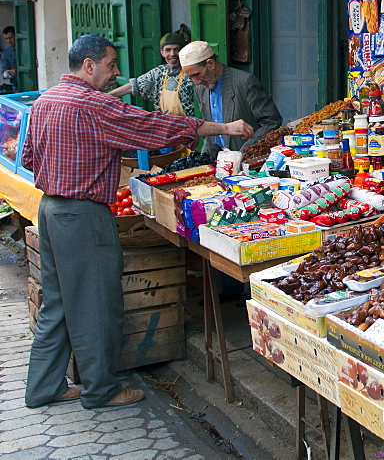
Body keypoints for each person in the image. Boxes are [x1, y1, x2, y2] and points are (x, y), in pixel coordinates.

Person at [22, 34, 253, 409]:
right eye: (111, 64)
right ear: (89, 65)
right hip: (82, 215)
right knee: (96, 303)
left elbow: (31, 157)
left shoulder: (47, 100)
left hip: (49, 210)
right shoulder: (95, 105)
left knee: (58, 302)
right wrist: (224, 129)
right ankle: (101, 390)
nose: (116, 73)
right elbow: (155, 126)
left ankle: (44, 385)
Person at [179, 40, 283, 158]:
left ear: (210, 64)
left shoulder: (244, 82)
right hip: (220, 163)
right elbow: (211, 136)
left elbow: (272, 122)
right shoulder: (201, 90)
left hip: (250, 160)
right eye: (191, 77)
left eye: (197, 74)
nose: (196, 82)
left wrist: (243, 153)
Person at [108, 32, 195, 116]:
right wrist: (107, 97)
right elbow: (134, 85)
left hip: (188, 125)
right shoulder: (159, 73)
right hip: (167, 124)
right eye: (168, 50)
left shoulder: (190, 73)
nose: (172, 54)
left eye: (176, 50)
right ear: (162, 52)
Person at [1, 25, 17, 93]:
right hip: (16, 85)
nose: (9, 41)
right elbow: (4, 71)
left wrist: (17, 71)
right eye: (6, 38)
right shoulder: (6, 53)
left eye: (11, 37)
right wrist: (7, 73)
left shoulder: (25, 48)